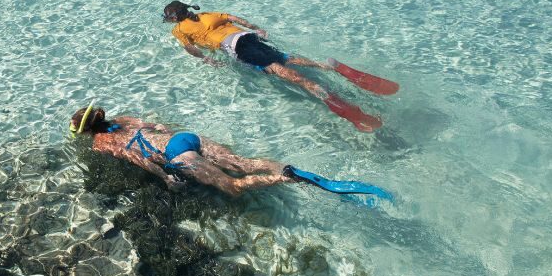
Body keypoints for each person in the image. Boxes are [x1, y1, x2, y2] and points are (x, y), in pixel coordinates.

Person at [162, 0, 399, 133]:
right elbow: (234, 18)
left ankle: (320, 91)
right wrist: (256, 28)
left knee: (285, 73)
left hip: (237, 49)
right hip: (248, 37)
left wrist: (206, 59)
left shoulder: (180, 30)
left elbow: (190, 48)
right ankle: (328, 66)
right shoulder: (207, 14)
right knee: (287, 58)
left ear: (174, 18)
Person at [70, 105, 392, 200]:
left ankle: (283, 179)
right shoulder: (123, 119)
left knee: (235, 188)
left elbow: (136, 157)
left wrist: (165, 178)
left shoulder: (102, 144)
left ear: (86, 131)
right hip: (184, 137)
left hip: (177, 157)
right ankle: (282, 166)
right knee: (243, 163)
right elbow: (155, 124)